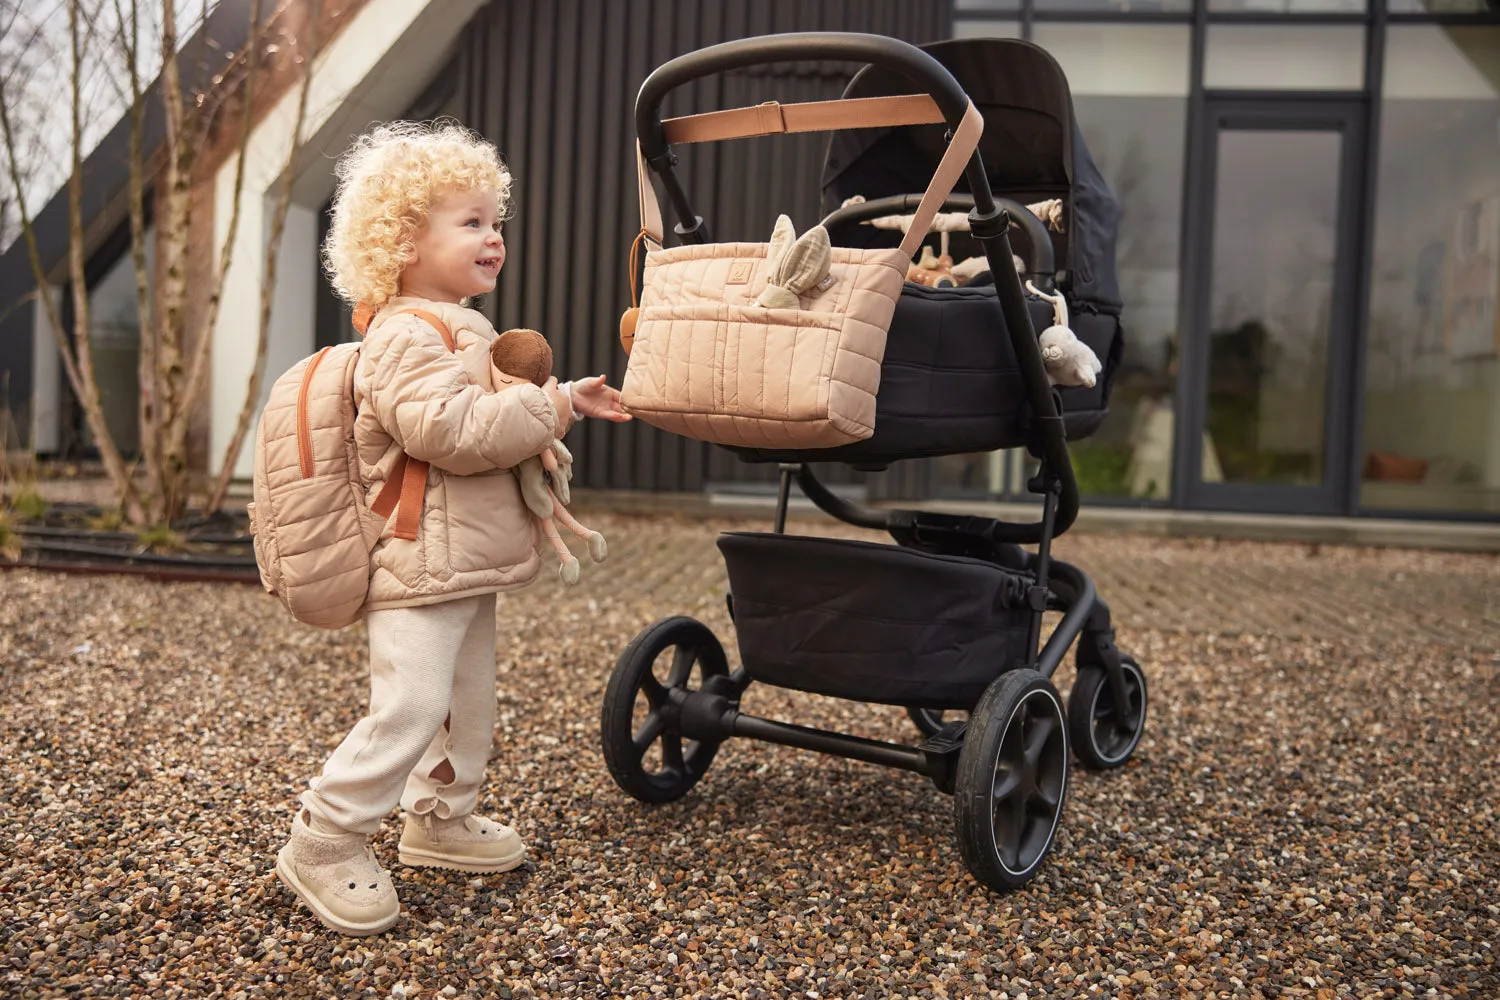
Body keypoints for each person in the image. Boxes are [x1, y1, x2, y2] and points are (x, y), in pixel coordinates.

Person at [274, 120, 630, 936]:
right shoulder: (401, 333)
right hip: (418, 556)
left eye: (494, 220)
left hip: (464, 558)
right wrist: (557, 404)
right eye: (469, 222)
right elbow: (453, 432)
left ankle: (438, 818)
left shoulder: (452, 324)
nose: (493, 236)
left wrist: (563, 394)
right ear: (402, 241)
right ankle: (325, 838)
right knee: (412, 701)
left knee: (464, 702)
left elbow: (488, 410)